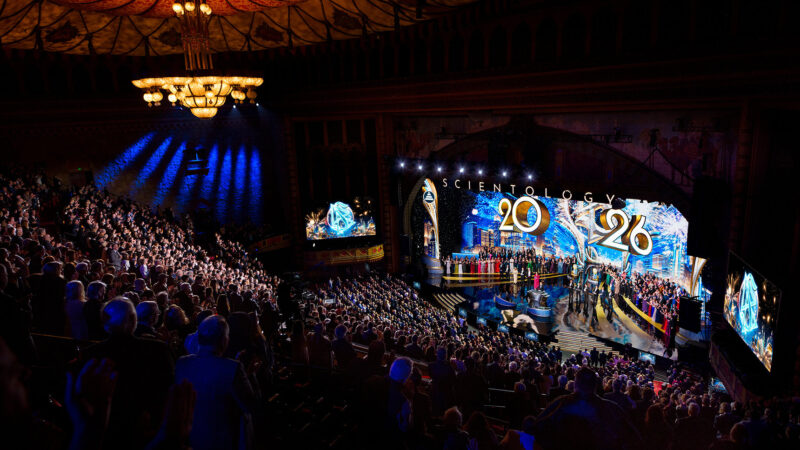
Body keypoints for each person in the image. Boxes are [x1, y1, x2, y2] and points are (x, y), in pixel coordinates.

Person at [82, 297, 175, 450]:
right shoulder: (157, 350)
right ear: (133, 319)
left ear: (104, 322)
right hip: (146, 432)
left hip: (103, 434)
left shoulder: (90, 355)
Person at [175, 315, 257, 450]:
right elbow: (250, 404)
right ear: (224, 340)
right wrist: (250, 375)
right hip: (223, 439)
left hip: (191, 436)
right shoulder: (232, 368)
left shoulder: (182, 363)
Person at [532, 367, 642, 450]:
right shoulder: (613, 409)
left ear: (575, 384)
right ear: (595, 386)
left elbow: (536, 427)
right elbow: (634, 439)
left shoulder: (560, 403)